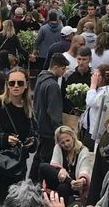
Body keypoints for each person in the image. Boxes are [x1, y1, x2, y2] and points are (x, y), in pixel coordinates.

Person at [0, 67, 38, 207]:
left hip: (18, 169)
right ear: (7, 84)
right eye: (12, 83)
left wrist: (32, 142)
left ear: (26, 84)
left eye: (20, 83)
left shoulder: (28, 108)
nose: (16, 86)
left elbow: (35, 134)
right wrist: (4, 139)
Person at [29, 53, 69, 182]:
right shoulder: (53, 85)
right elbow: (54, 111)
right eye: (63, 69)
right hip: (48, 130)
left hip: (39, 125)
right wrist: (60, 131)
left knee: (39, 157)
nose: (64, 72)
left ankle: (30, 181)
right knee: (46, 161)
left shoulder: (41, 78)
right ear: (56, 67)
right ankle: (39, 186)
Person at [39, 126, 92, 204]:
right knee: (43, 166)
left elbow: (85, 169)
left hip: (75, 185)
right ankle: (69, 181)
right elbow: (53, 166)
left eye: (68, 140)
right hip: (59, 180)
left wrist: (82, 180)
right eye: (62, 143)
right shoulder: (58, 148)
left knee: (63, 187)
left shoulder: (83, 150)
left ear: (73, 138)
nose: (66, 144)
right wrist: (61, 170)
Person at [80, 64, 109, 151]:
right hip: (89, 129)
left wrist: (93, 85)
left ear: (104, 77)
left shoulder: (108, 90)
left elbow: (91, 102)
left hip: (93, 131)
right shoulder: (101, 89)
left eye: (97, 75)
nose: (94, 77)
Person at [63, 47, 92, 113]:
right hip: (70, 112)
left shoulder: (93, 76)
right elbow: (63, 94)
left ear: (90, 60)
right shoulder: (68, 74)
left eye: (84, 59)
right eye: (79, 59)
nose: (81, 62)